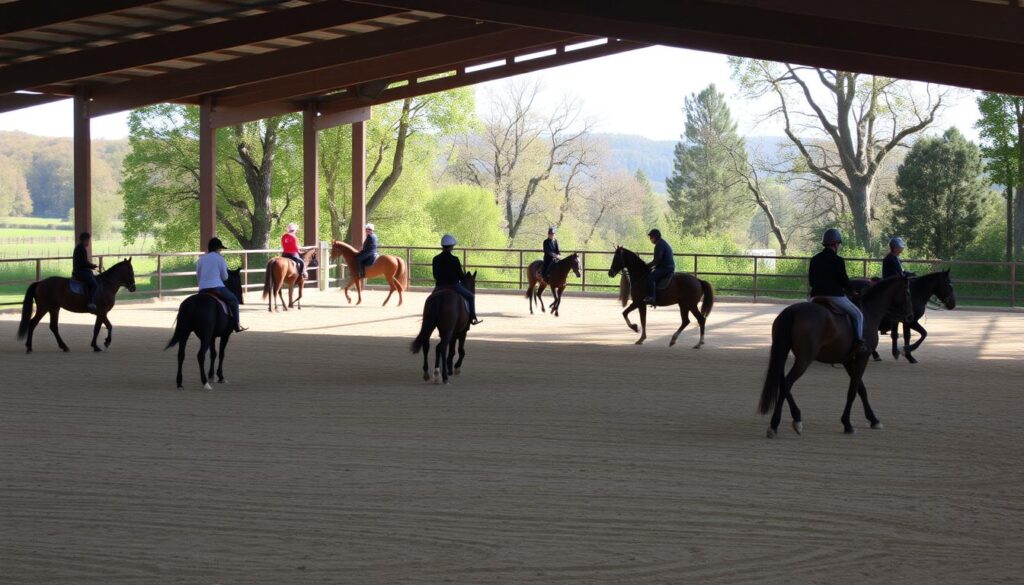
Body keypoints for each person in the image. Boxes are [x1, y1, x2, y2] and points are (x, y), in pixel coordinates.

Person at [809, 228, 866, 353]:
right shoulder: (838, 260)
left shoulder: (814, 259)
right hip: (834, 296)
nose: (839, 246)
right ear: (835, 244)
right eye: (839, 244)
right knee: (858, 315)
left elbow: (811, 282)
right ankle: (859, 342)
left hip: (815, 296)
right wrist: (853, 292)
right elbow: (844, 281)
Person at [196, 237, 245, 333]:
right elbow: (225, 277)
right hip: (217, 287)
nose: (221, 251)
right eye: (220, 249)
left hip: (202, 289)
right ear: (218, 248)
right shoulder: (220, 259)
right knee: (234, 300)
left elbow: (198, 275)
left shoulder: (201, 259)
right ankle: (237, 324)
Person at [432, 234, 482, 325]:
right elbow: (460, 276)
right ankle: (473, 317)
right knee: (471, 297)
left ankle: (429, 320)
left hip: (439, 286)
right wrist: (462, 277)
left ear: (442, 246)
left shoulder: (435, 259)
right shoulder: (454, 259)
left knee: (430, 301)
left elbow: (435, 275)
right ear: (451, 247)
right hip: (453, 286)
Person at [644, 228, 675, 305]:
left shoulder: (659, 245)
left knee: (651, 278)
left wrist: (647, 266)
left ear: (655, 237)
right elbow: (658, 261)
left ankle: (652, 297)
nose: (650, 239)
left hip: (666, 268)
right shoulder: (662, 243)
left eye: (651, 237)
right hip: (666, 266)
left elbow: (657, 260)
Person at [72, 231, 99, 312]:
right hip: (80, 271)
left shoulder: (80, 247)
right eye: (88, 240)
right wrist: (92, 266)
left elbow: (84, 262)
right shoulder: (81, 248)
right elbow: (83, 262)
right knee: (94, 285)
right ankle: (90, 302)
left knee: (92, 277)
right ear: (85, 240)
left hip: (81, 270)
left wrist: (91, 266)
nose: (89, 242)